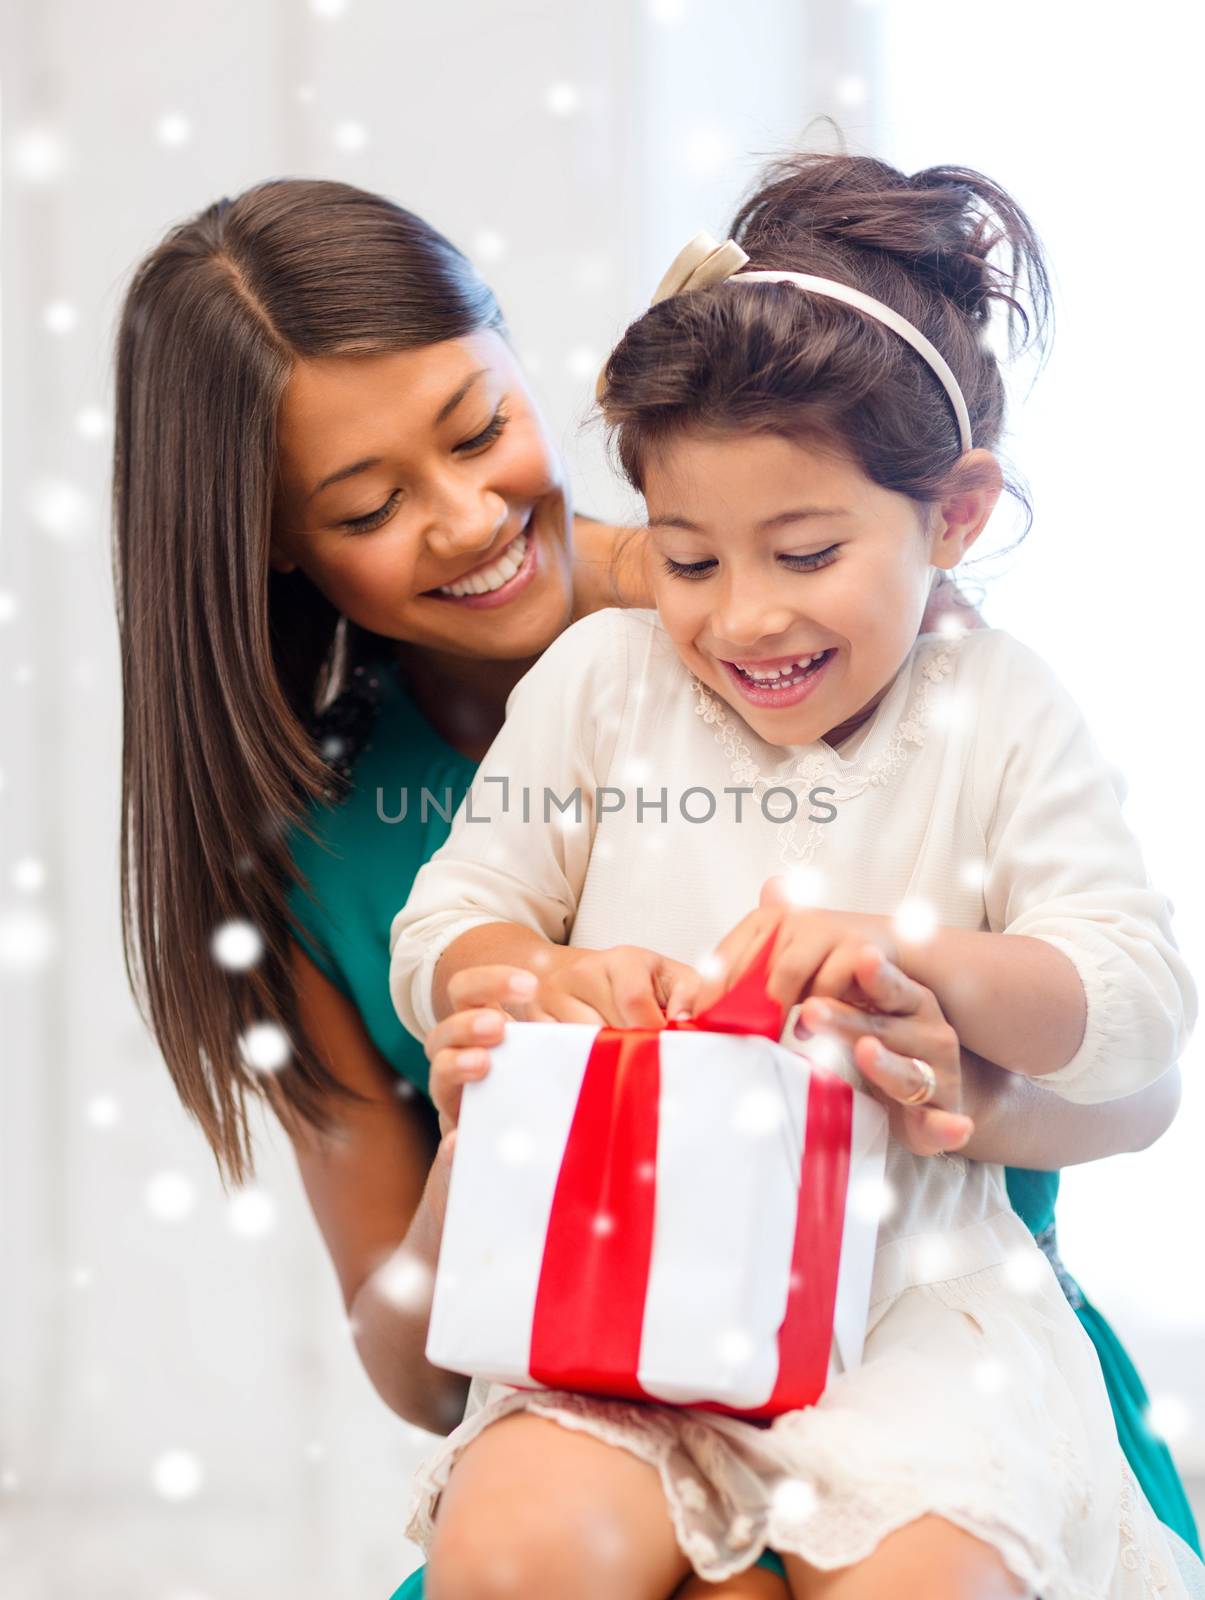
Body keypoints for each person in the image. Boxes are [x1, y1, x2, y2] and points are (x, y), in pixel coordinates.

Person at [109, 171, 1197, 1600]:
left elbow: (1129, 1054)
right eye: (370, 503)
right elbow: (412, 1354)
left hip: (923, 1333)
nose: (461, 517)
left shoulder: (887, 632)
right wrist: (499, 1061)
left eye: (479, 429)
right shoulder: (478, 749)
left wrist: (953, 1051)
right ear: (269, 541)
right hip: (607, 1331)